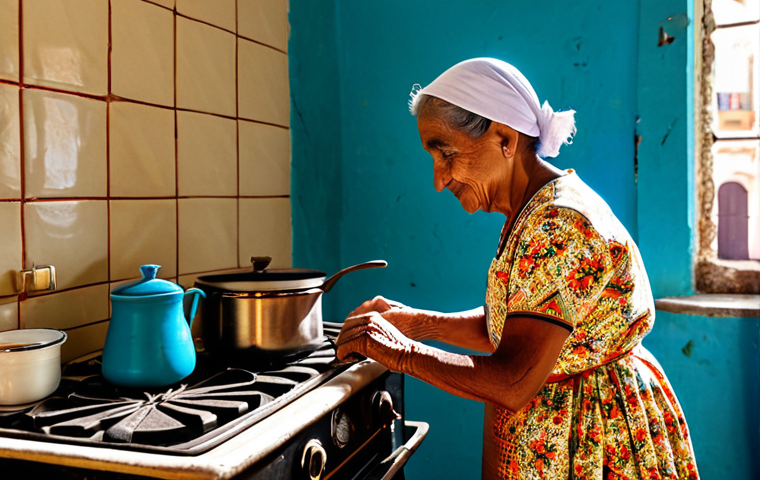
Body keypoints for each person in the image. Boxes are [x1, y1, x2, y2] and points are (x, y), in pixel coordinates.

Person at [335, 58, 699, 480]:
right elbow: (517, 327)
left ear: (504, 138)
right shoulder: (533, 208)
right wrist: (419, 323)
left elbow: (514, 378)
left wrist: (400, 352)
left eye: (446, 153)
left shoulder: (558, 224)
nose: (439, 179)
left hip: (592, 437)